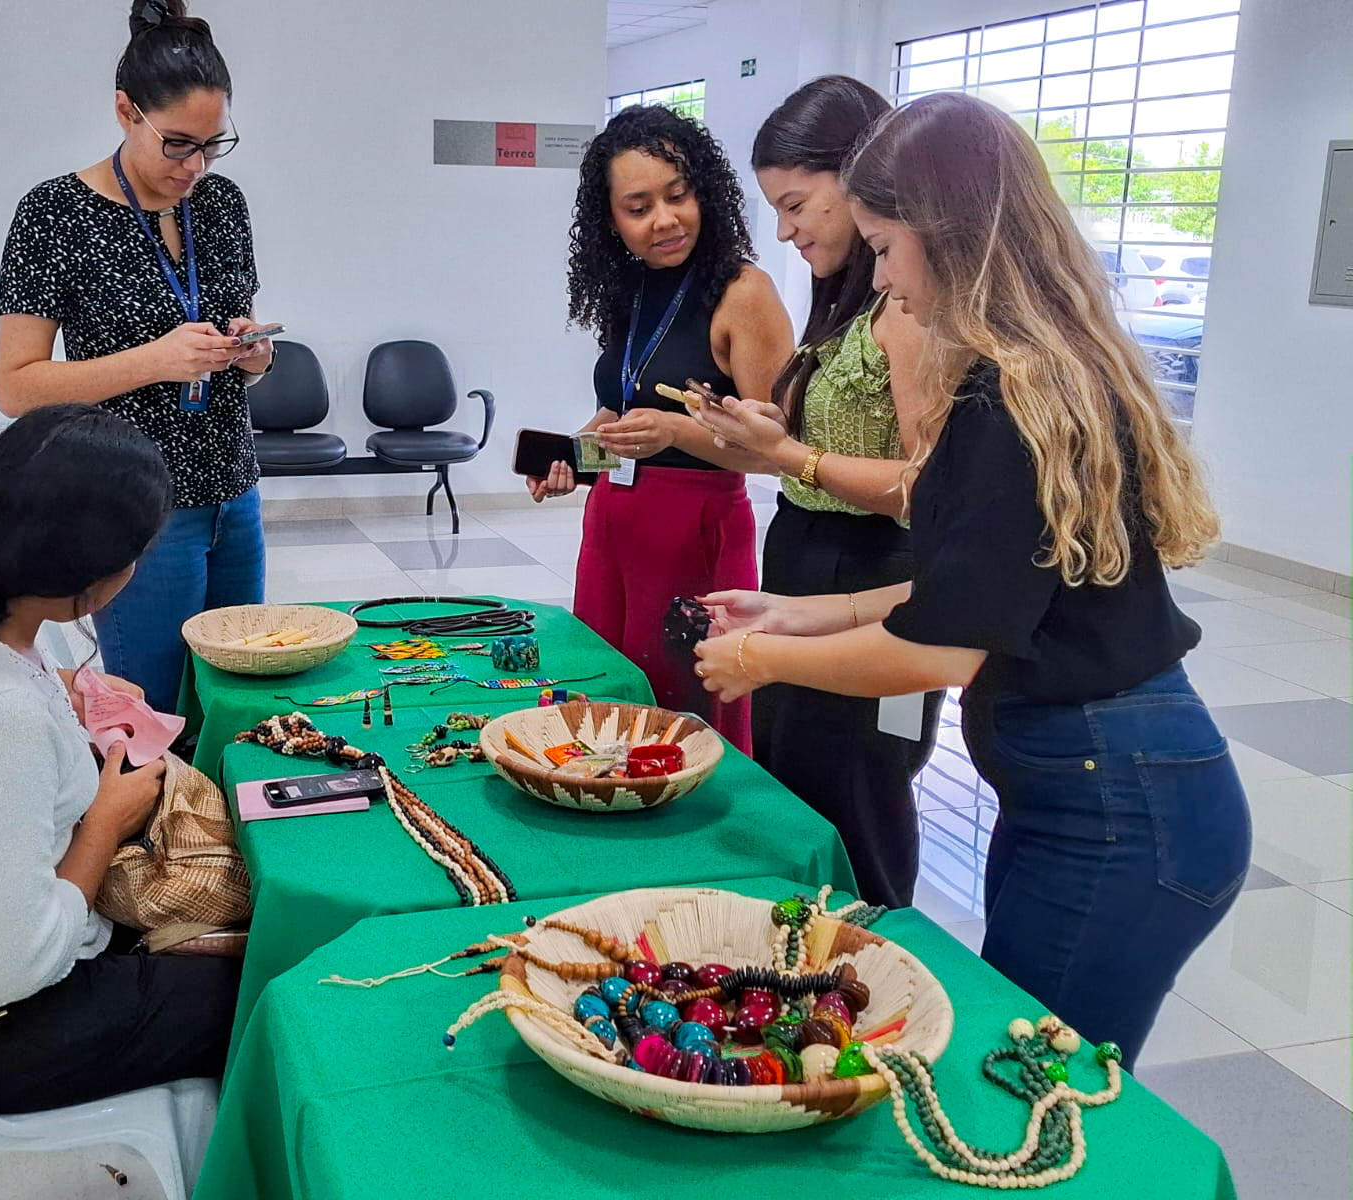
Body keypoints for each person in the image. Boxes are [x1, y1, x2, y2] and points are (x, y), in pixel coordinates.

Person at [692, 93, 1250, 1068]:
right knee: (1022, 1058)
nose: (884, 276)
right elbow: (967, 590)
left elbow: (941, 648)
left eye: (887, 245)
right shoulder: (1021, 376)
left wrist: (758, 654)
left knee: (1028, 1075)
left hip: (1121, 804)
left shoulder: (1010, 396)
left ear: (950, 238)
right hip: (1082, 786)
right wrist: (802, 610)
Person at [0, 405, 240, 1114]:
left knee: (224, 929)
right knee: (271, 989)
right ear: (92, 580)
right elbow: (13, 962)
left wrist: (56, 683)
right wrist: (105, 820)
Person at [690, 76, 942, 908]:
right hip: (812, 562)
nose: (787, 231)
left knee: (861, 796)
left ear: (862, 180)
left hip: (870, 571)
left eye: (798, 205)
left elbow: (925, 489)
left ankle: (878, 962)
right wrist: (756, 439)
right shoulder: (845, 300)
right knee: (804, 784)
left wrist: (793, 457)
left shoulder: (905, 308)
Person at [0, 0, 275, 713]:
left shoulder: (222, 205)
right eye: (178, 144)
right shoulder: (55, 214)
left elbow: (243, 351)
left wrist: (251, 356)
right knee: (152, 713)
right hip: (134, 504)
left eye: (213, 144)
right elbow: (15, 385)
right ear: (126, 111)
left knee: (242, 696)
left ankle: (224, 824)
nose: (196, 165)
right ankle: (150, 827)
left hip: (232, 487)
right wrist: (156, 359)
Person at [528, 104, 793, 753]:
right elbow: (624, 414)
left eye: (678, 197)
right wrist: (573, 456)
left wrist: (676, 433)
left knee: (684, 718)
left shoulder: (745, 293)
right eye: (639, 207)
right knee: (608, 698)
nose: (664, 221)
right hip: (614, 524)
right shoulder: (634, 289)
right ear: (611, 220)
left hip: (693, 535)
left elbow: (776, 455)